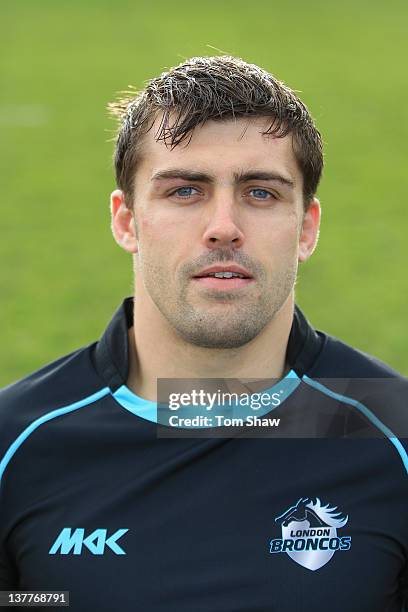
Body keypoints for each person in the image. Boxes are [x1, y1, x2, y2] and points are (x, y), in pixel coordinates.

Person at [0, 55, 407, 611]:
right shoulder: (16, 445)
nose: (223, 228)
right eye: (185, 191)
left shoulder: (394, 435)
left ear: (307, 227)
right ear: (126, 221)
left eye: (261, 192)